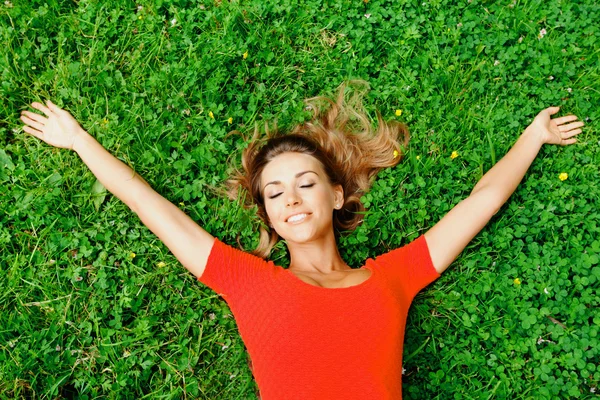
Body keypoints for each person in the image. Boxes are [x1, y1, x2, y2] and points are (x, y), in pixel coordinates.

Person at [20, 84, 584, 399]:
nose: (291, 197)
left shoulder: (394, 276)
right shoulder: (245, 280)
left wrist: (533, 137)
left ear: (337, 196)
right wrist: (77, 141)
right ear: (268, 216)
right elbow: (147, 203)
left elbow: (479, 203)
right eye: (275, 193)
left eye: (306, 183)